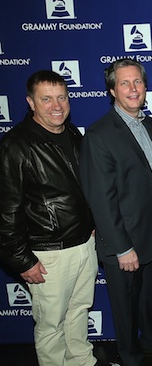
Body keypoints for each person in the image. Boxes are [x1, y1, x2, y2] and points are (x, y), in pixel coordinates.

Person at [0, 70, 117, 366]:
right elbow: (6, 210)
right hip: (48, 253)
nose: (56, 105)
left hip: (83, 245)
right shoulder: (16, 145)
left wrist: (91, 225)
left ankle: (81, 361)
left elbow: (83, 187)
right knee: (51, 325)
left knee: (79, 310)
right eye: (46, 99)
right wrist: (22, 260)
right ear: (30, 102)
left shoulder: (73, 134)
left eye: (62, 97)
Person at [80, 59, 152, 366]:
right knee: (125, 304)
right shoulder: (100, 134)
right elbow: (100, 199)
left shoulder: (149, 125)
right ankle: (129, 355)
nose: (132, 89)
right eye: (125, 83)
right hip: (123, 239)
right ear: (112, 90)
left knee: (151, 294)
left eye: (137, 82)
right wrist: (121, 246)